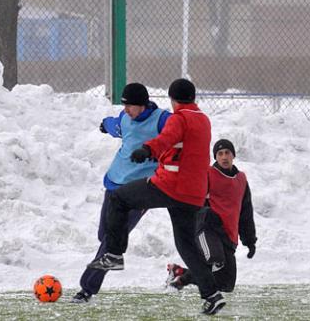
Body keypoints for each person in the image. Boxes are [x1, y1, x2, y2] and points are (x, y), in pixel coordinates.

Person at [87, 79, 226, 315]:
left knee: (119, 198)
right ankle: (212, 295)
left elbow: (166, 139)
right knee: (186, 245)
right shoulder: (203, 119)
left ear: (172, 99)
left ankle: (114, 254)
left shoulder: (179, 118)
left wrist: (147, 150)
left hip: (170, 185)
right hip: (193, 193)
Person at [71, 83, 171, 303]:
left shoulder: (162, 120)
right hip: (115, 183)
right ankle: (104, 261)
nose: (126, 110)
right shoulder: (125, 118)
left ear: (143, 105)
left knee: (110, 242)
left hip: (139, 190)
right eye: (124, 105)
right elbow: (115, 125)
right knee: (104, 236)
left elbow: (180, 133)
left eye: (130, 106)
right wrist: (104, 125)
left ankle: (86, 289)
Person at [165, 139, 257, 292]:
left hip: (228, 235)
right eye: (220, 154)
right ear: (216, 157)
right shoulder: (207, 174)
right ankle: (178, 281)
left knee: (225, 284)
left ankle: (180, 275)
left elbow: (246, 212)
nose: (224, 157)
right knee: (214, 259)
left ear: (233, 155)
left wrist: (249, 240)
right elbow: (190, 194)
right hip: (207, 228)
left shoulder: (241, 180)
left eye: (227, 153)